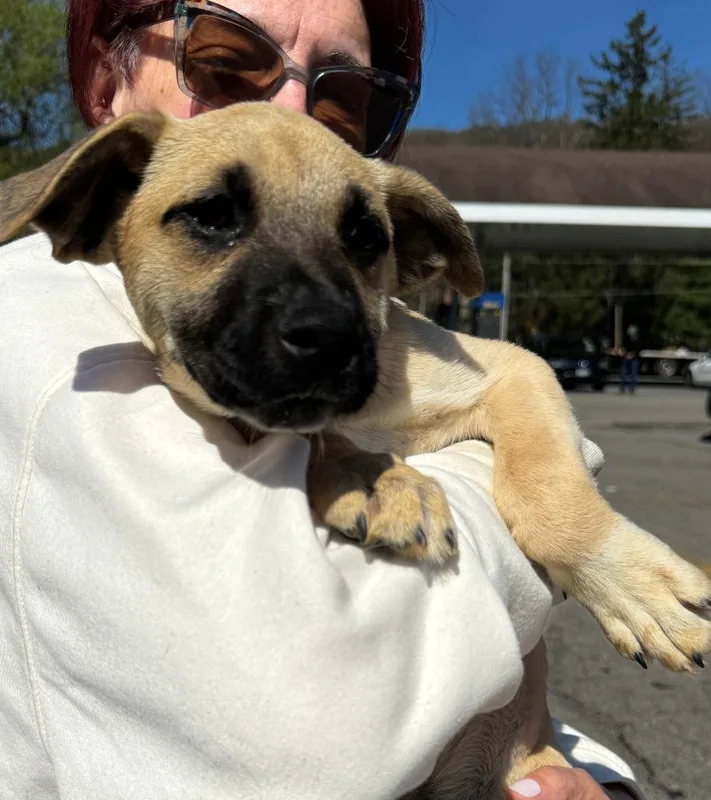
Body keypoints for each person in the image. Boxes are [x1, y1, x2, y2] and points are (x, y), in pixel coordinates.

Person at [0, 1, 643, 798]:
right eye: (225, 61)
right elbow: (317, 735)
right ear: (107, 78)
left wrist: (597, 780)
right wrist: (486, 487)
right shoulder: (52, 343)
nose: (294, 113)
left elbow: (510, 384)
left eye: (346, 99)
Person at [619, 325, 642, 395]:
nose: (631, 332)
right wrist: (624, 354)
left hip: (634, 359)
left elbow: (639, 349)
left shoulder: (638, 339)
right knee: (623, 374)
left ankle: (632, 388)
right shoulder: (626, 339)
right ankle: (622, 388)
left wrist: (632, 354)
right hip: (625, 358)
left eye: (632, 331)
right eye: (630, 331)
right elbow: (623, 347)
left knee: (633, 374)